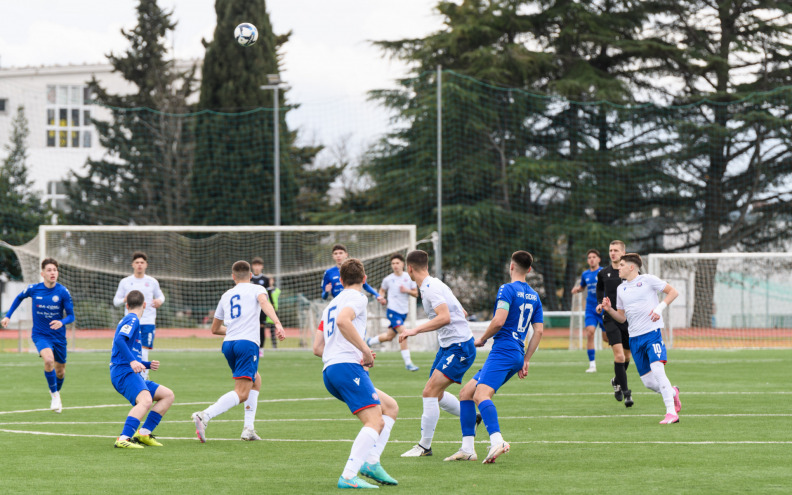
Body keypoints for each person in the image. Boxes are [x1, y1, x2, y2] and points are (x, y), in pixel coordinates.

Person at [445, 251, 544, 464]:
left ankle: (497, 440)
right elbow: (539, 331)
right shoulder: (534, 296)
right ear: (529, 270)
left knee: (481, 395)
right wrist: (526, 359)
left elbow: (499, 321)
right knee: (466, 393)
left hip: (503, 350)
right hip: (516, 353)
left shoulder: (506, 289)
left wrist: (482, 339)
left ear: (511, 266)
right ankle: (468, 449)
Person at [313, 258, 399, 489]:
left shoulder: (330, 305)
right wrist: (364, 351)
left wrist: (345, 353)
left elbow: (317, 348)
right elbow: (343, 321)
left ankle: (371, 462)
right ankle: (349, 475)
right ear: (364, 279)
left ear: (340, 281)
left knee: (390, 407)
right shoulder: (358, 297)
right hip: (346, 368)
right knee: (374, 420)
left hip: (331, 370)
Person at [191, 260, 285, 442]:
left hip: (229, 345)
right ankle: (205, 416)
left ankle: (248, 429)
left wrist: (235, 330)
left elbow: (215, 329)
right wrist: (278, 323)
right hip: (246, 344)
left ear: (233, 277)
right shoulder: (257, 288)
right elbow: (264, 303)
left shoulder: (227, 294)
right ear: (250, 276)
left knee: (255, 380)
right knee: (242, 392)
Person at [399, 249, 476, 458]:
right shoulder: (436, 284)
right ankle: (470, 416)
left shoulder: (430, 288)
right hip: (450, 345)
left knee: (429, 392)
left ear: (409, 269)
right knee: (436, 394)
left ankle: (424, 447)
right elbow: (463, 312)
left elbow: (445, 317)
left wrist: (415, 329)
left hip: (458, 347)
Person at [601, 253, 681, 424]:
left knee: (658, 371)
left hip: (652, 334)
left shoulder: (648, 279)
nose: (618, 268)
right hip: (634, 339)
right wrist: (609, 309)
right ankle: (673, 392)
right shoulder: (621, 289)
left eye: (621, 265)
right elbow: (622, 318)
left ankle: (671, 413)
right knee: (649, 383)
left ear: (631, 267)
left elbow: (673, 292)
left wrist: (659, 309)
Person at [1, 258, 74, 413]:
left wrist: (62, 322)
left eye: (55, 270)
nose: (52, 272)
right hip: (41, 335)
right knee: (48, 360)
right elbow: (19, 297)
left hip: (59, 337)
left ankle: (56, 391)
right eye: (49, 270)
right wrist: (8, 316)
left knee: (60, 371)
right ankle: (54, 395)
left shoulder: (62, 291)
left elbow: (71, 316)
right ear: (42, 273)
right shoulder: (34, 289)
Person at [110, 290, 175, 449]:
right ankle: (123, 438)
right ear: (144, 305)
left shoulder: (131, 320)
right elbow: (119, 340)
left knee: (167, 395)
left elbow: (127, 350)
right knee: (145, 401)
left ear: (126, 305)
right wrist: (133, 362)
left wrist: (146, 364)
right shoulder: (132, 319)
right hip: (123, 372)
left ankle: (144, 433)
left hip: (129, 371)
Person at [113, 251, 164, 380]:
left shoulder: (152, 281)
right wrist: (124, 300)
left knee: (144, 351)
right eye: (137, 262)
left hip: (148, 321)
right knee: (130, 350)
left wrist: (159, 301)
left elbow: (160, 296)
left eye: (142, 262)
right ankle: (132, 375)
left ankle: (143, 378)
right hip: (131, 322)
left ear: (146, 265)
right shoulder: (125, 282)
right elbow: (116, 301)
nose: (139, 265)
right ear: (133, 265)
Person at [365, 253, 420, 371]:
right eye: (393, 263)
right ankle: (408, 363)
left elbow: (416, 293)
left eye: (397, 263)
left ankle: (370, 341)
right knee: (404, 333)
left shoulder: (409, 277)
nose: (395, 265)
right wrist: (381, 298)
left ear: (403, 264)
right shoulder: (388, 279)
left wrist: (406, 290)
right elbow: (382, 290)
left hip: (403, 312)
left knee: (389, 336)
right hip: (392, 311)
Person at [596, 240, 634, 407]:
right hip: (610, 317)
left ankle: (616, 381)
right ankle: (626, 393)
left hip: (628, 319)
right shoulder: (604, 273)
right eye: (611, 250)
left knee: (627, 356)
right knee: (618, 355)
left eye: (616, 250)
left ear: (623, 253)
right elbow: (599, 288)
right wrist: (599, 303)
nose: (613, 253)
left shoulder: (631, 272)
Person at [571, 249, 604, 373]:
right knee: (590, 333)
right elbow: (582, 287)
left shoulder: (603, 272)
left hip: (603, 308)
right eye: (589, 257)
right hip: (590, 308)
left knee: (607, 339)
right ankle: (592, 365)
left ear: (599, 259)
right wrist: (577, 289)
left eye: (594, 257)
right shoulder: (585, 274)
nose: (591, 259)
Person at [250, 257, 276, 353]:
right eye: (255, 265)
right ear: (252, 266)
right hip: (251, 308)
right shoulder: (249, 278)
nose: (257, 267)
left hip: (261, 308)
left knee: (261, 327)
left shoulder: (265, 279)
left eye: (259, 265)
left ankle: (261, 349)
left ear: (262, 266)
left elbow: (268, 294)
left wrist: (272, 305)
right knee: (251, 327)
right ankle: (252, 347)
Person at [264, 276, 281, 351]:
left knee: (273, 329)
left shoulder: (277, 290)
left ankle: (274, 345)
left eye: (270, 280)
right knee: (261, 328)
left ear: (273, 280)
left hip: (274, 311)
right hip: (265, 311)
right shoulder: (264, 290)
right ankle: (261, 345)